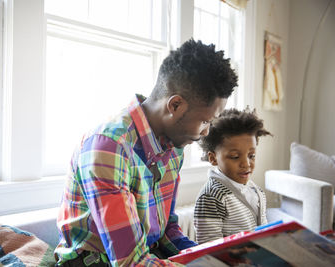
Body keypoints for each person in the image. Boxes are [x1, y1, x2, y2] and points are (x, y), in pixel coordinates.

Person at [54, 39, 238, 267]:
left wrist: (210, 259)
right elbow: (131, 263)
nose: (205, 132)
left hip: (147, 255)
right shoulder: (109, 147)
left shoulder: (174, 147)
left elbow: (166, 230)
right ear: (175, 105)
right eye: (204, 121)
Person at [194, 108, 272, 245]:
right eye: (235, 157)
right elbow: (209, 248)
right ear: (213, 158)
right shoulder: (212, 197)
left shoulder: (256, 191)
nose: (246, 164)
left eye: (251, 156)